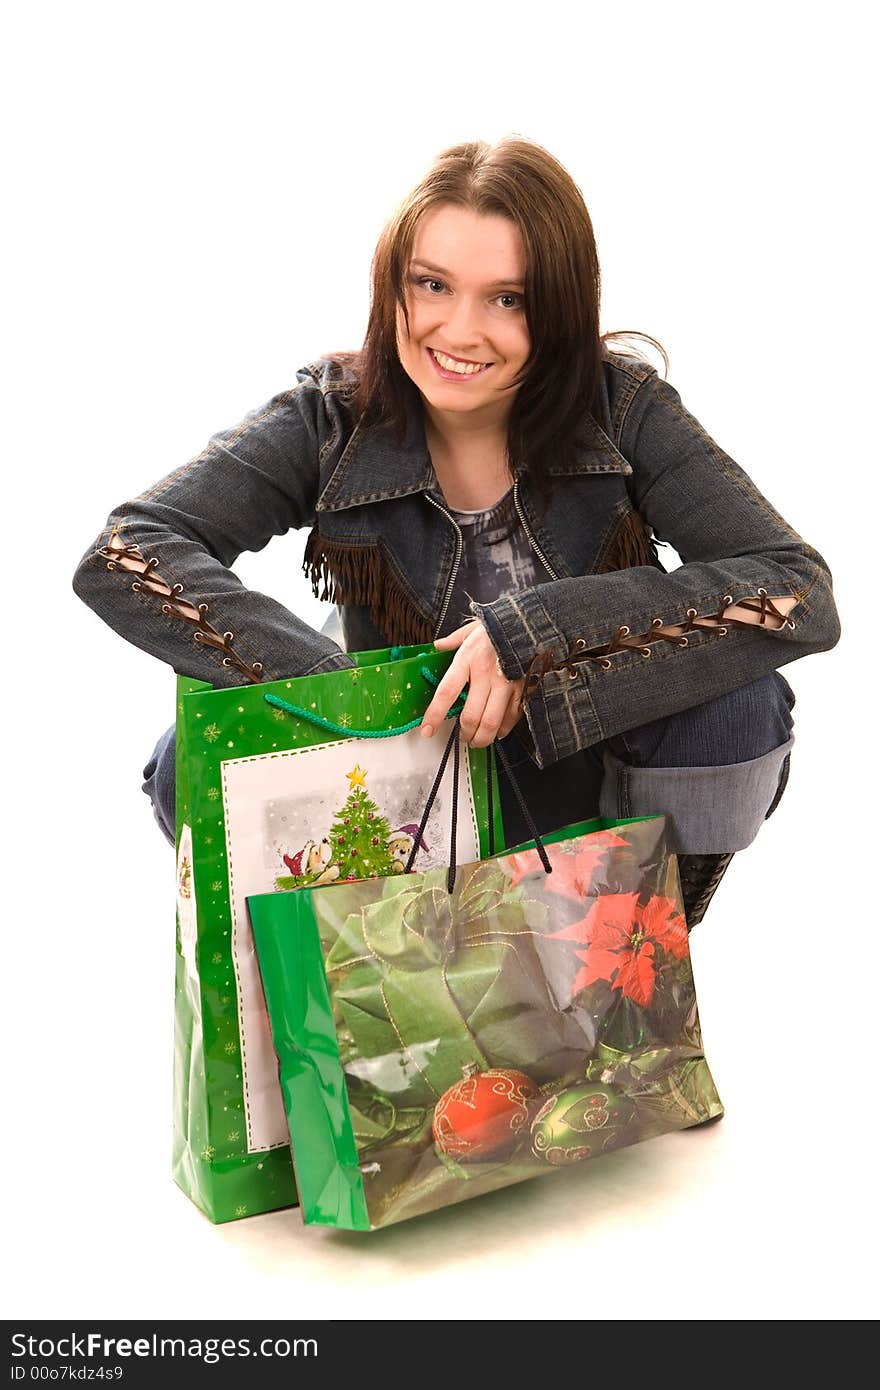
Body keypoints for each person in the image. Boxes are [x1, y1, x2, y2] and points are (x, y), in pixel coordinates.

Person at [71, 135, 841, 929]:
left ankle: (638, 951)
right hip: (402, 796)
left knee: (739, 706)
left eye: (508, 299)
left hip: (581, 784)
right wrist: (349, 701)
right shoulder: (332, 418)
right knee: (188, 760)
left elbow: (797, 590)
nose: (459, 331)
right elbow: (128, 550)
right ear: (392, 288)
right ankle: (347, 972)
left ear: (560, 311)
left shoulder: (623, 409)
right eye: (432, 285)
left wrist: (536, 639)